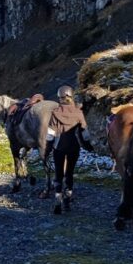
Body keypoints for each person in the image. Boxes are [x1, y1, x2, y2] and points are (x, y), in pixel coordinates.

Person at [48, 85, 92, 214]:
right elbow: (85, 132)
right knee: (69, 173)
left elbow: (50, 133)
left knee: (58, 173)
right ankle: (67, 200)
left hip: (58, 147)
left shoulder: (55, 112)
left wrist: (47, 148)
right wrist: (88, 146)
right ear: (71, 96)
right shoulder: (78, 112)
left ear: (59, 97)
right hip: (74, 147)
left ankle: (57, 199)